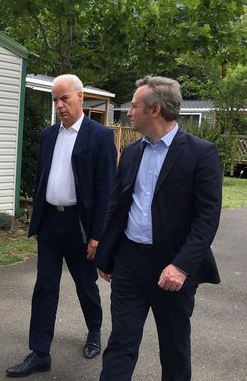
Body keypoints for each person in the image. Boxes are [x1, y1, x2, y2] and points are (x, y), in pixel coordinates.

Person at [95, 76, 222, 381]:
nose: (128, 112)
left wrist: (181, 266)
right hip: (129, 262)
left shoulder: (200, 153)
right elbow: (117, 206)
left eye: (134, 106)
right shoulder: (131, 152)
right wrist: (108, 255)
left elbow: (207, 218)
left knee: (173, 347)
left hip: (172, 268)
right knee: (121, 343)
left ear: (154, 110)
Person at [6, 74, 117, 377]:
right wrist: (38, 219)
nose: (58, 105)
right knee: (45, 287)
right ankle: (40, 352)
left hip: (80, 225)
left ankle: (94, 331)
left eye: (64, 98)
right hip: (51, 225)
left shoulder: (100, 137)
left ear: (80, 97)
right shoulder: (48, 135)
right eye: (55, 99)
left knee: (85, 284)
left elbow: (106, 190)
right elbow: (42, 180)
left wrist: (97, 235)